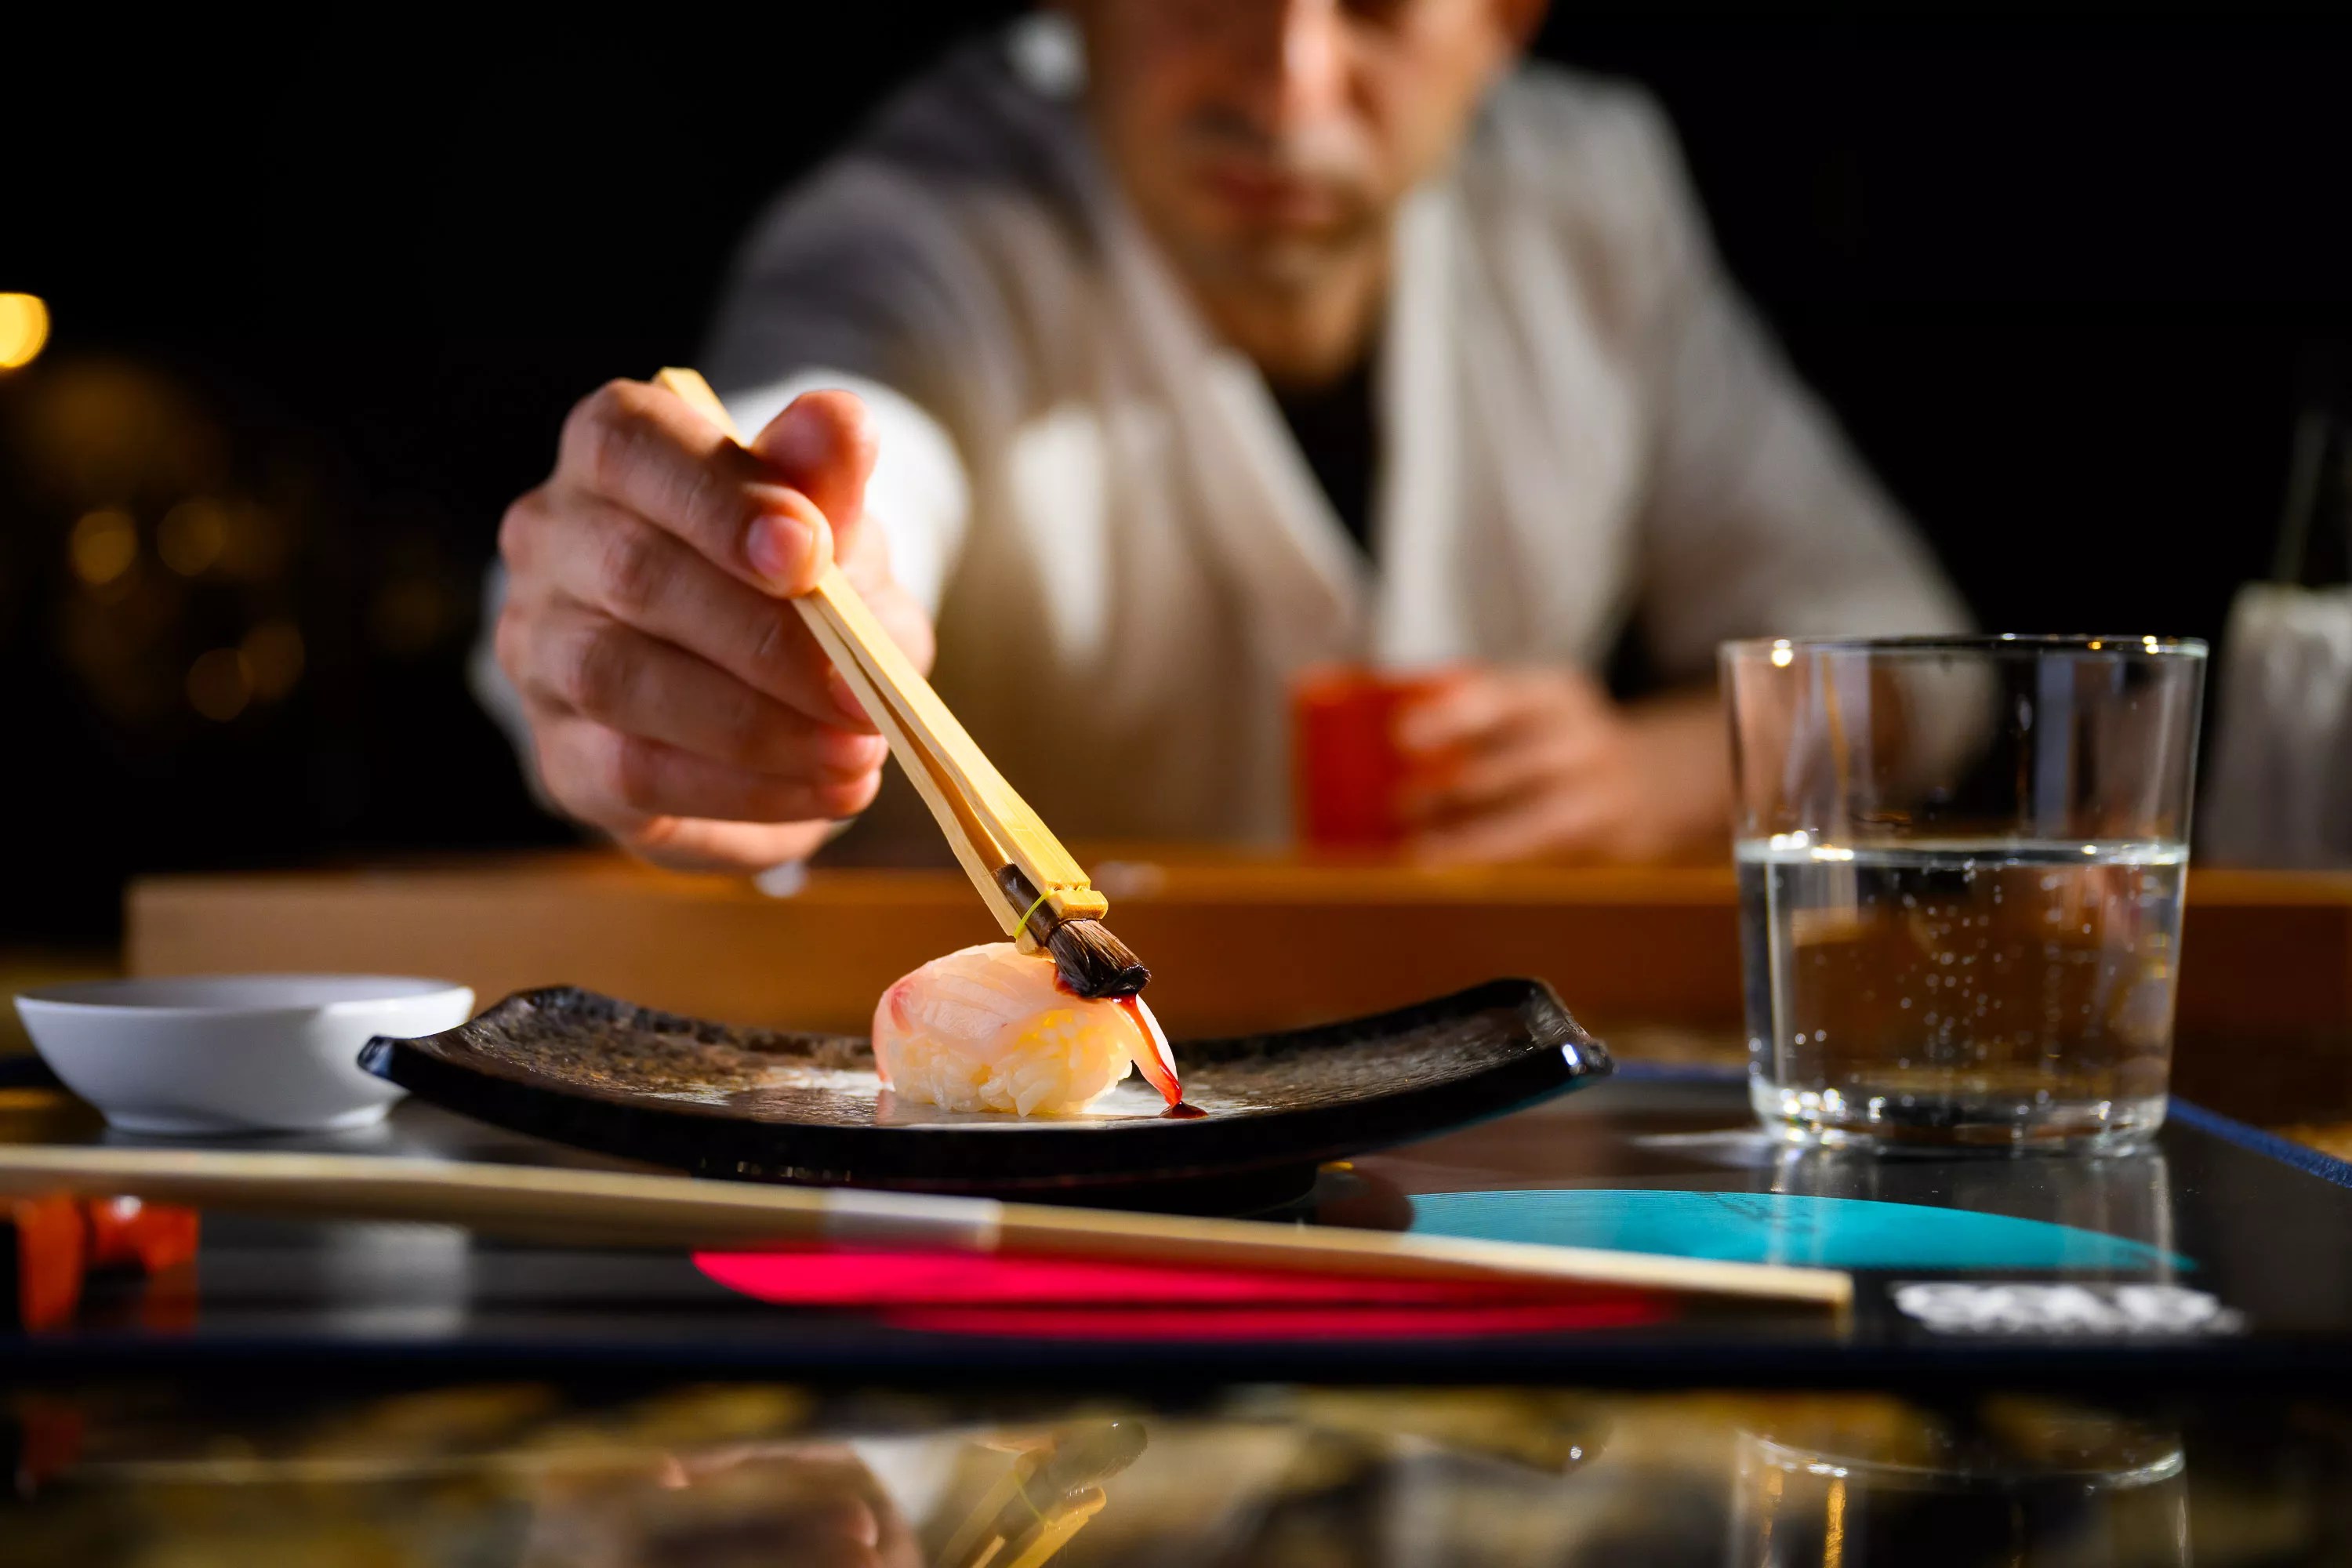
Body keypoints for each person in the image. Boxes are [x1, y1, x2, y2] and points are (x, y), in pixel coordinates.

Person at [487, 1, 1967, 875]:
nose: (1285, 91)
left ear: (1506, 21)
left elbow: (1915, 663)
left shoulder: (1597, 201)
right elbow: (829, 428)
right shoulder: (919, 221)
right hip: (997, 1187)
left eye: (1381, 7)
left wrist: (1667, 772)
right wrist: (735, 583)